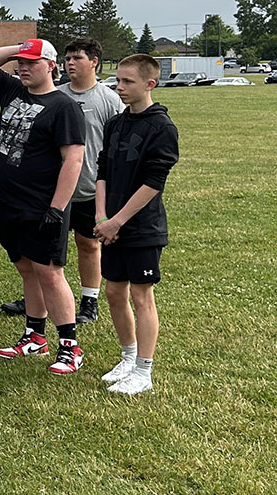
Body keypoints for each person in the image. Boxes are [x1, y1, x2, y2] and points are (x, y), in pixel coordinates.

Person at [0, 39, 87, 375]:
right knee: (26, 268)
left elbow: (74, 159)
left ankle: (70, 346)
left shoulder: (63, 106)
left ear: (51, 65)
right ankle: (35, 336)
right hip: (10, 201)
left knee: (50, 273)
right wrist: (18, 48)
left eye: (32, 62)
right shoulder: (12, 91)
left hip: (43, 205)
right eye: (20, 62)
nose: (23, 68)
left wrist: (57, 207)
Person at [1, 39, 122, 323]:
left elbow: (113, 145)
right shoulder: (58, 95)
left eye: (77, 58)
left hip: (89, 187)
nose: (71, 63)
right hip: (50, 191)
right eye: (67, 57)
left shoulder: (106, 99)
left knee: (88, 244)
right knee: (42, 258)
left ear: (94, 62)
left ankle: (89, 300)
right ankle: (38, 303)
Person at [94, 54, 178, 395]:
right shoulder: (115, 123)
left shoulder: (162, 127)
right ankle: (128, 358)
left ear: (150, 84)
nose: (119, 87)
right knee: (114, 292)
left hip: (141, 228)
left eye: (128, 81)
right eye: (118, 80)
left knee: (142, 297)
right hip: (110, 224)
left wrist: (117, 221)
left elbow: (153, 182)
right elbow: (101, 170)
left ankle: (144, 371)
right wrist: (101, 217)